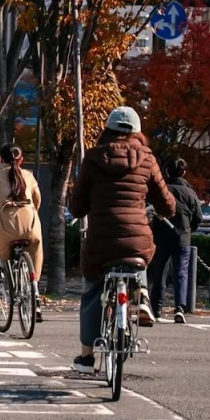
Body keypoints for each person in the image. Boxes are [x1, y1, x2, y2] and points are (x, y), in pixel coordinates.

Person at [69, 106, 176, 373]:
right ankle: (141, 298)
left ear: (108, 129)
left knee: (93, 290)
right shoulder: (148, 159)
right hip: (136, 238)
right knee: (139, 256)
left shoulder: (93, 158)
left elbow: (77, 206)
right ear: (138, 133)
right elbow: (167, 204)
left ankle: (86, 357)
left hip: (100, 242)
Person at [0, 144, 44, 323]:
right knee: (35, 253)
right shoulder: (28, 175)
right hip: (30, 223)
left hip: (5, 224)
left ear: (0, 159)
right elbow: (37, 200)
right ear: (20, 160)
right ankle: (34, 291)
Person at [150, 158, 202, 324]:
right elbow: (198, 217)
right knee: (181, 272)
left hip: (162, 235)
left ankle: (156, 308)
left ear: (166, 171)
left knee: (160, 273)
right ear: (184, 172)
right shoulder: (190, 193)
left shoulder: (162, 190)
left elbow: (151, 210)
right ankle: (180, 307)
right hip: (182, 236)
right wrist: (188, 230)